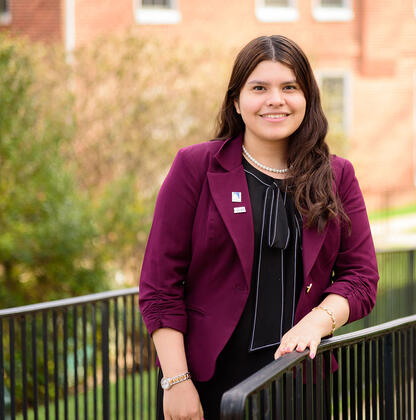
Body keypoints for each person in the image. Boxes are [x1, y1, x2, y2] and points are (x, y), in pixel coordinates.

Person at [139, 35, 379, 420]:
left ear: (307, 98)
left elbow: (362, 278)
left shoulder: (338, 176)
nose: (275, 100)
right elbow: (159, 286)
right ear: (236, 100)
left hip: (301, 384)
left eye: (289, 87)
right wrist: (176, 381)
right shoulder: (195, 167)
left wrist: (318, 321)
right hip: (207, 388)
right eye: (259, 88)